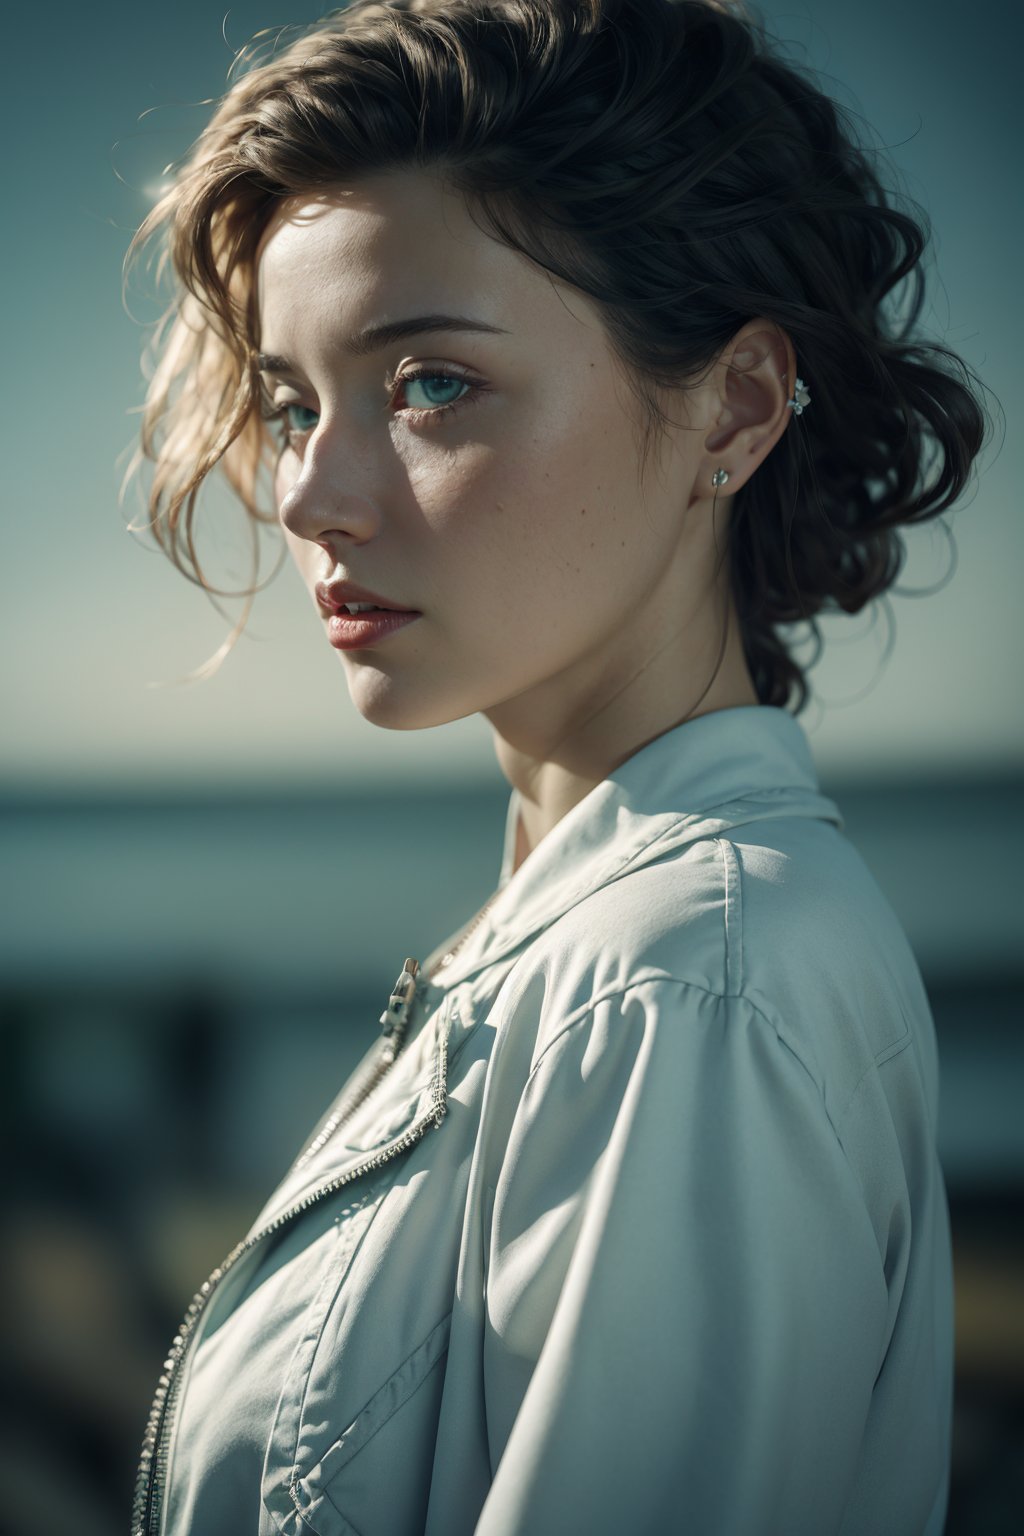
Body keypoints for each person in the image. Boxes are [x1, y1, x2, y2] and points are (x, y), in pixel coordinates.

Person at [124, 2, 989, 1532]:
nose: (311, 494)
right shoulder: (599, 946)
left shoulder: (686, 983)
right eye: (289, 404)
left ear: (735, 405)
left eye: (430, 384)